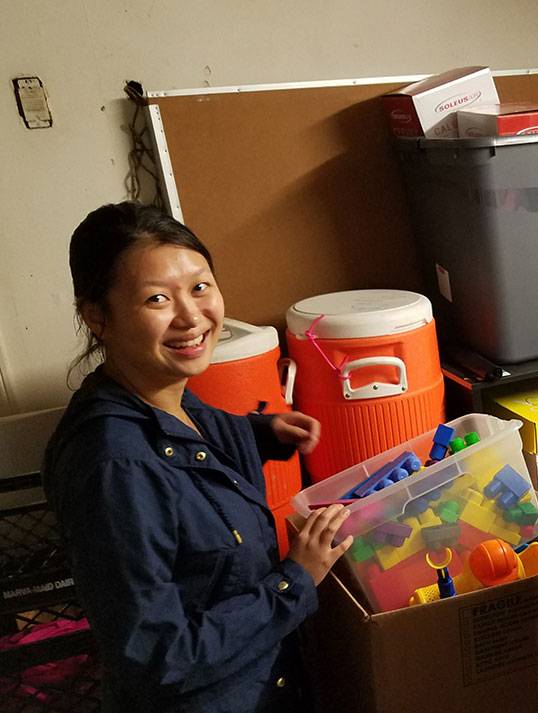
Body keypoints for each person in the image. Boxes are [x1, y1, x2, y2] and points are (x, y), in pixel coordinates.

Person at [42, 202, 353, 712]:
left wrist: (263, 432)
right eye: (157, 299)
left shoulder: (166, 395)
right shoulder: (113, 467)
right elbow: (157, 658)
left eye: (200, 287)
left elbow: (193, 446)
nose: (191, 316)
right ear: (97, 317)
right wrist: (294, 580)